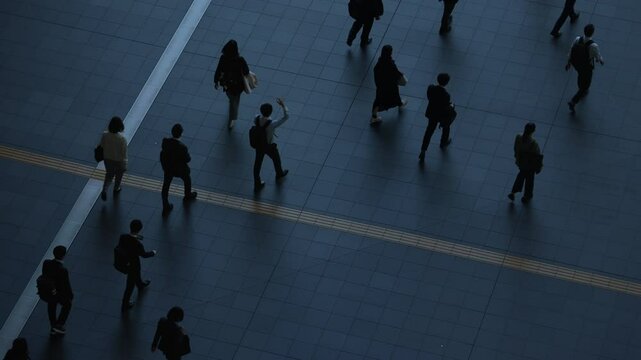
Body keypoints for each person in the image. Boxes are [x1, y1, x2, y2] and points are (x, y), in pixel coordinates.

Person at [252, 98, 290, 191]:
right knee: (276, 159)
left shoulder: (256, 118)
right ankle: (279, 173)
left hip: (259, 145)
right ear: (270, 112)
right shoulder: (272, 123)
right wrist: (283, 106)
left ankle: (257, 182)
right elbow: (286, 117)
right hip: (269, 146)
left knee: (257, 164)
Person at [565, 23, 604, 113]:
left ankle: (580, 87)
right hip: (587, 67)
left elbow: (571, 50)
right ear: (592, 33)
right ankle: (574, 101)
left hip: (577, 65)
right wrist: (601, 60)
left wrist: (568, 62)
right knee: (586, 85)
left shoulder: (578, 39)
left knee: (580, 75)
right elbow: (598, 57)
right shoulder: (593, 46)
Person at [160, 124, 197, 216]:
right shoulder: (182, 147)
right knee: (187, 179)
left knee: (166, 185)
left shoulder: (165, 141)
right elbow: (187, 159)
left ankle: (165, 204)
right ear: (181, 134)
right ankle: (187, 195)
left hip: (168, 168)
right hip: (179, 169)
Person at [119, 219, 156, 311]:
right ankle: (125, 303)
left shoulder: (123, 237)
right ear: (139, 229)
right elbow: (143, 255)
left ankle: (140, 284)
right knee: (130, 285)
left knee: (136, 275)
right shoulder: (137, 244)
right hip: (134, 264)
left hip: (126, 261)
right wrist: (153, 253)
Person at [214, 40, 250, 129]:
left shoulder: (223, 58)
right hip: (237, 86)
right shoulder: (240, 60)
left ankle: (231, 106)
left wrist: (216, 81)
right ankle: (232, 119)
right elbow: (246, 71)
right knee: (234, 102)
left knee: (231, 98)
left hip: (226, 83)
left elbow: (218, 70)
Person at [419, 73, 454, 162]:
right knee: (446, 127)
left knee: (429, 131)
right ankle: (443, 142)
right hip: (441, 115)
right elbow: (445, 106)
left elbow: (429, 97)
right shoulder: (446, 95)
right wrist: (452, 106)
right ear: (446, 83)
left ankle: (423, 150)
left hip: (432, 113)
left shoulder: (431, 88)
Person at [371, 45, 407, 125]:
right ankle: (400, 104)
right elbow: (395, 73)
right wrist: (401, 75)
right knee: (395, 94)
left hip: (381, 85)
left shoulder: (379, 62)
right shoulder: (390, 63)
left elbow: (376, 73)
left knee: (378, 99)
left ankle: (374, 116)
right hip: (390, 84)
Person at [508, 123, 542, 203]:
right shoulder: (533, 143)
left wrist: (518, 158)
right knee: (529, 180)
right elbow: (537, 156)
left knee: (520, 176)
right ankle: (527, 196)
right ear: (533, 131)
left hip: (521, 163)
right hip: (530, 166)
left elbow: (516, 149)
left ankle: (513, 192)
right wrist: (538, 167)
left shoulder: (518, 137)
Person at [42, 246, 73, 336]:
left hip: (49, 291)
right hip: (58, 293)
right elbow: (66, 285)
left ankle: (53, 325)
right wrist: (70, 295)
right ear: (63, 255)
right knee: (67, 305)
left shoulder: (46, 263)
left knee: (51, 307)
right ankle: (59, 325)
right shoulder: (63, 270)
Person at [99, 116, 127, 201]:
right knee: (119, 175)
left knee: (109, 175)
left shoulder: (105, 135)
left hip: (107, 159)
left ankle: (105, 189)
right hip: (119, 161)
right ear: (120, 127)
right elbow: (124, 153)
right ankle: (116, 187)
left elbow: (102, 146)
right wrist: (125, 164)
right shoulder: (122, 139)